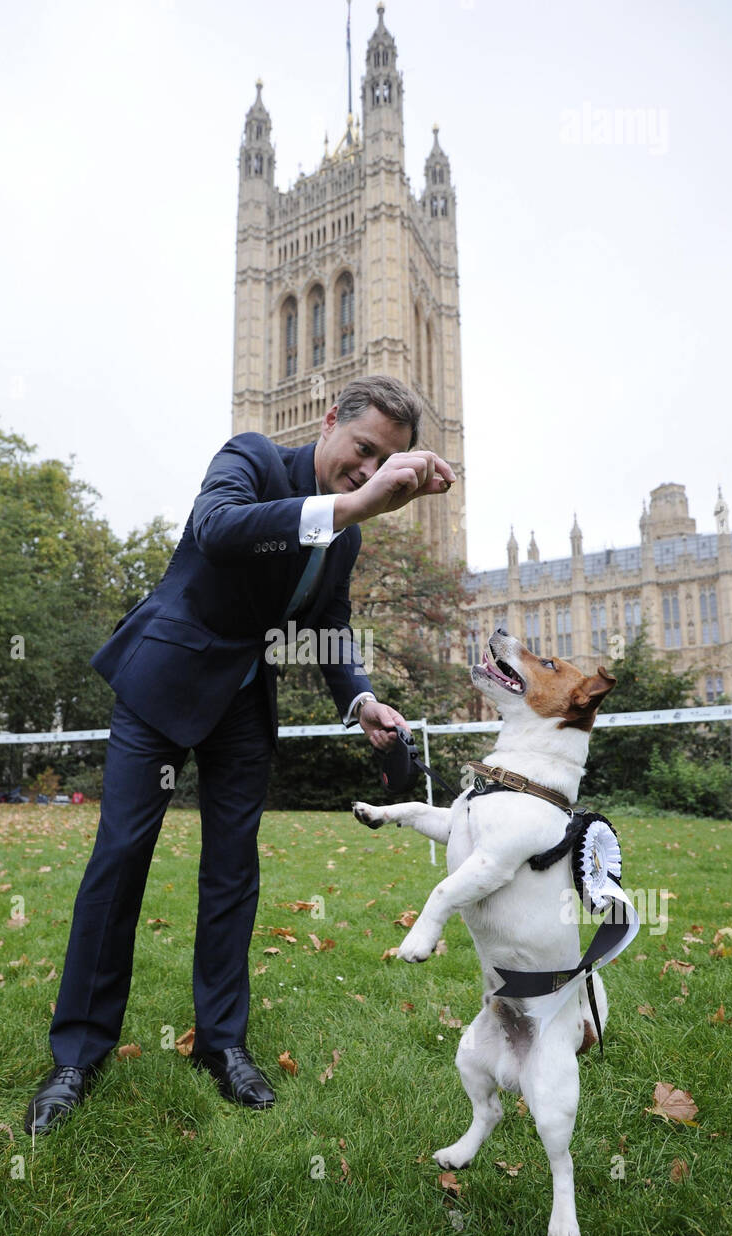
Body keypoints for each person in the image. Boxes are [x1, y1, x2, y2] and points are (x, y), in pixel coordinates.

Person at [24, 374, 455, 1134]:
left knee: (232, 874)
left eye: (384, 461)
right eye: (362, 451)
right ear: (329, 423)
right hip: (163, 681)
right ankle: (78, 1054)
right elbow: (219, 529)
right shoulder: (252, 457)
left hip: (243, 707)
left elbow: (328, 627)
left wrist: (361, 701)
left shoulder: (345, 536)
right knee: (120, 857)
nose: (365, 470)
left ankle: (220, 1044)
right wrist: (352, 504)